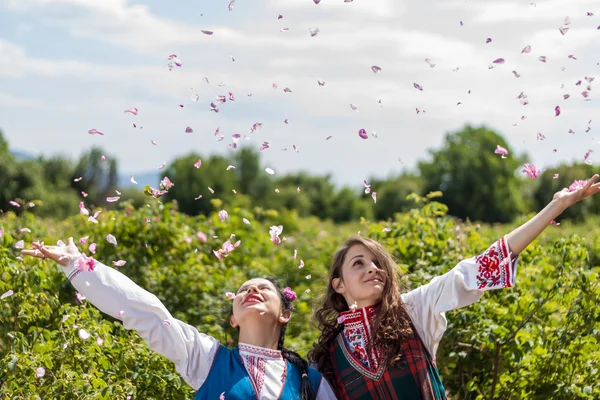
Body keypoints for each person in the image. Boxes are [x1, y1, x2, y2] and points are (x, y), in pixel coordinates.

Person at [308, 175, 600, 400]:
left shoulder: (413, 310)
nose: (373, 268)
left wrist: (556, 206)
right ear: (338, 284)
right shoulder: (328, 356)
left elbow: (480, 268)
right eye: (358, 263)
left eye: (378, 262)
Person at [22, 238, 337, 400]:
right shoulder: (205, 358)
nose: (252, 289)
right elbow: (145, 312)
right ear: (233, 319)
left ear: (285, 313)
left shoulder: (310, 382)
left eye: (264, 288)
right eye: (244, 289)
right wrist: (77, 264)